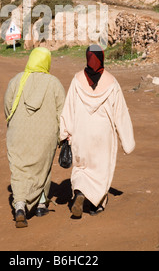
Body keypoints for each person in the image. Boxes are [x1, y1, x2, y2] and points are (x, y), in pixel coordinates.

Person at [60, 44, 135, 218]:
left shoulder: (77, 79)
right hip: (103, 136)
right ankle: (96, 205)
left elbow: (68, 108)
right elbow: (121, 113)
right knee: (101, 169)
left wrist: (64, 133)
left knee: (81, 166)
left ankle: (79, 193)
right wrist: (127, 141)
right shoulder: (112, 82)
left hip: (81, 133)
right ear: (102, 58)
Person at [4, 47, 65, 228]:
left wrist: (14, 125)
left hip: (18, 133)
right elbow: (62, 112)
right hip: (45, 134)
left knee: (19, 169)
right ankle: (40, 205)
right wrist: (63, 136)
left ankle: (21, 206)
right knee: (42, 169)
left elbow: (8, 107)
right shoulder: (54, 83)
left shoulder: (17, 80)